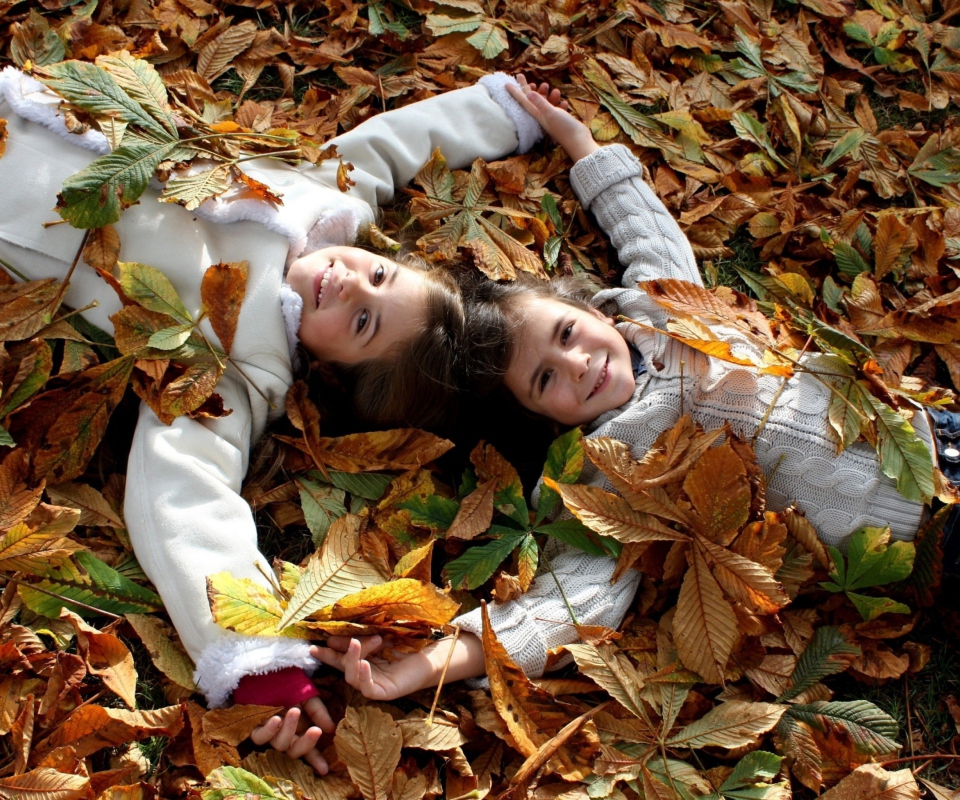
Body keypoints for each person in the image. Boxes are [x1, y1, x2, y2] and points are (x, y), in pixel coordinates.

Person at [310, 75, 954, 707]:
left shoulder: (658, 313)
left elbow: (645, 229)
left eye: (567, 333)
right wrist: (432, 663)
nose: (578, 363)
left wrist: (580, 142)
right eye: (545, 381)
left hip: (924, 426)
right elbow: (570, 603)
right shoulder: (607, 475)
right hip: (928, 534)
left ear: (590, 311)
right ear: (539, 420)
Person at [0, 66, 555, 772]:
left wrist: (258, 658)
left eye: (359, 322)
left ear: (330, 371)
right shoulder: (329, 206)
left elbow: (183, 489)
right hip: (56, 110)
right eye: (378, 276)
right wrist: (501, 111)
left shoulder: (243, 361)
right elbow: (388, 145)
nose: (350, 281)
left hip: (22, 207)